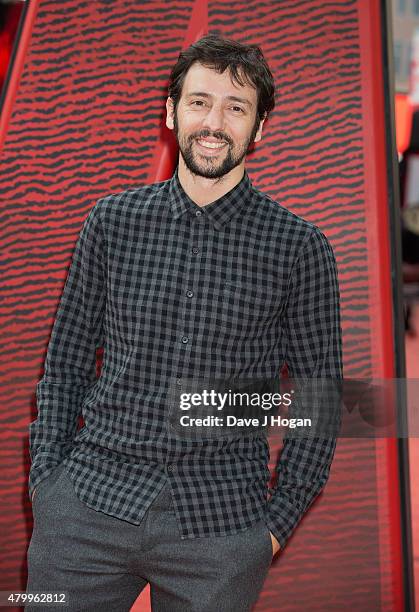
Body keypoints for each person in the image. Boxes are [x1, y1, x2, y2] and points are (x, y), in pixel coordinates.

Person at [25, 33, 343, 612]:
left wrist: (275, 525)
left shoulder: (301, 249)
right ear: (171, 112)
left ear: (259, 127)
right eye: (199, 101)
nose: (214, 122)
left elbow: (321, 400)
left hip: (222, 526)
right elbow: (66, 361)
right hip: (85, 510)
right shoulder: (111, 222)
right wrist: (49, 484)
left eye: (236, 107)